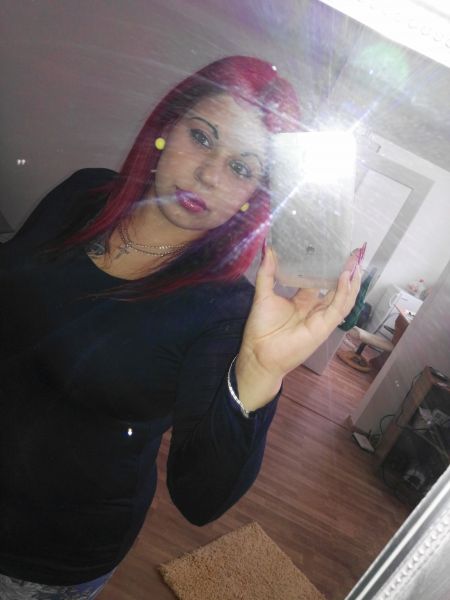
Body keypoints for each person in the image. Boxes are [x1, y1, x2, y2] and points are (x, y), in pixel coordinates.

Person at [0, 56, 362, 599]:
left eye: (241, 168)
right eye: (202, 137)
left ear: (253, 195)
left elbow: (200, 498)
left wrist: (259, 371)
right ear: (167, 129)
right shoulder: (83, 194)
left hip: (38, 557)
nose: (209, 175)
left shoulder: (225, 312)